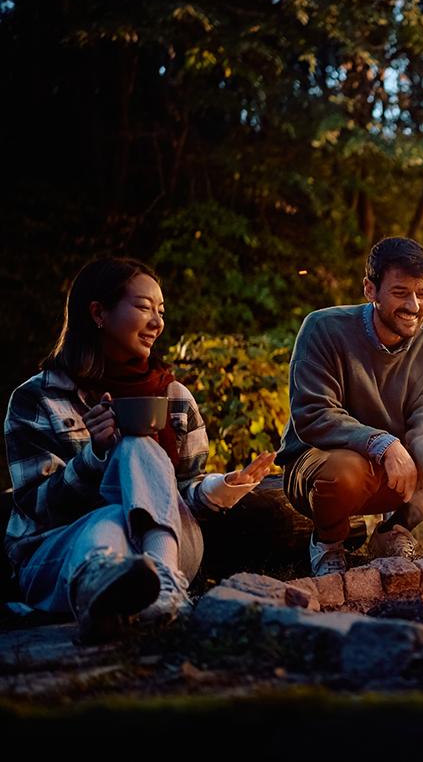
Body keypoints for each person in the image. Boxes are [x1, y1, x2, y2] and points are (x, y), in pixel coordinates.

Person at [5, 258, 275, 643]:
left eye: (161, 311)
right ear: (98, 312)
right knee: (112, 517)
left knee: (137, 444)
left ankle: (155, 583)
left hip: (172, 550)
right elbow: (38, 506)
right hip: (57, 554)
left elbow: (181, 494)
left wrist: (224, 486)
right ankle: (119, 594)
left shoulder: (174, 397)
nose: (157, 322)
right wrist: (94, 457)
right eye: (144, 307)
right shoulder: (37, 399)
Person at [278, 236, 423, 575]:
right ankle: (329, 542)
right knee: (343, 470)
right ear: (371, 290)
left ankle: (394, 529)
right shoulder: (323, 328)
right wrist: (382, 443)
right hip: (327, 465)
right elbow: (314, 415)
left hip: (401, 472)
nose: (414, 305)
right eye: (401, 293)